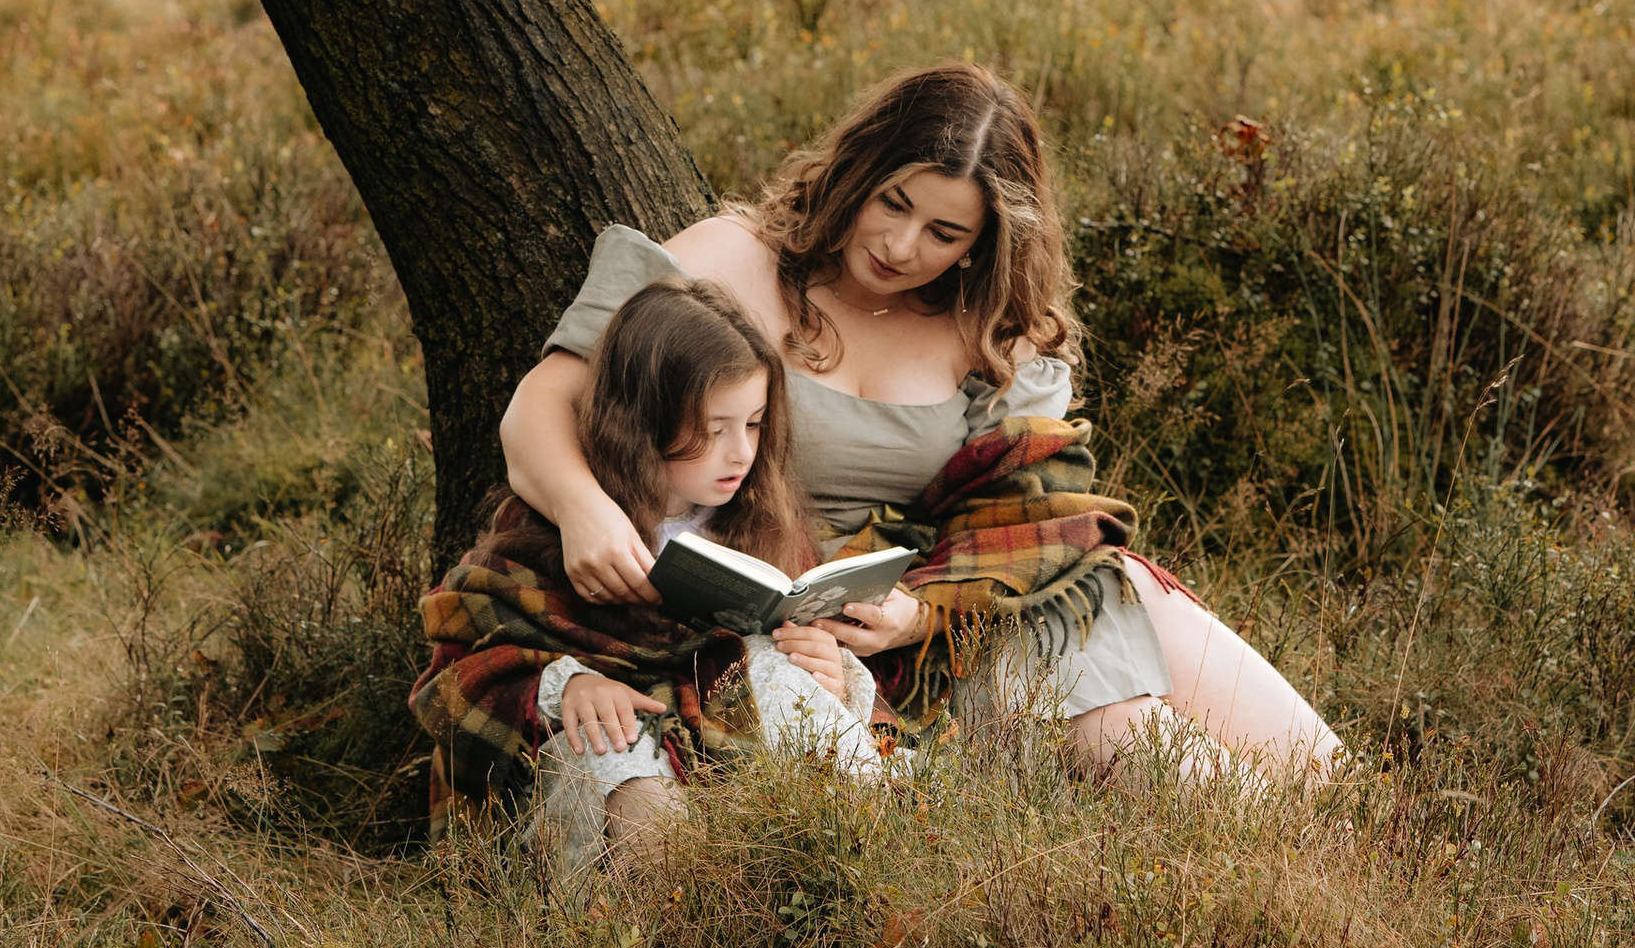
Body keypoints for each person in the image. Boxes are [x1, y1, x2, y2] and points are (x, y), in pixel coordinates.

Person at [500, 63, 1341, 785]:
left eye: (943, 233)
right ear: (858, 171)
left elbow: (1020, 512)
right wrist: (582, 507)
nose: (901, 248)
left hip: (926, 610)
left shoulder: (986, 331)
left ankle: (1350, 819)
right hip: (785, 626)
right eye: (892, 203)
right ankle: (1305, 848)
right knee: (1123, 734)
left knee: (1129, 626)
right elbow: (543, 403)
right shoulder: (731, 258)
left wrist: (919, 612)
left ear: (981, 242)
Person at [416, 271, 891, 869]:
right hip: (618, 746)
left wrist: (831, 670)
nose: (742, 452)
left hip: (731, 746)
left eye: (753, 424)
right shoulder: (549, 526)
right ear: (643, 424)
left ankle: (829, 883)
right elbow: (455, 677)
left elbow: (797, 663)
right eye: (713, 430)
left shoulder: (764, 524)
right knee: (637, 799)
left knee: (791, 695)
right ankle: (676, 908)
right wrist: (565, 685)